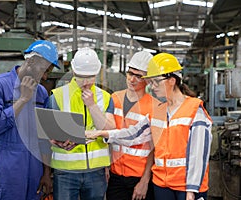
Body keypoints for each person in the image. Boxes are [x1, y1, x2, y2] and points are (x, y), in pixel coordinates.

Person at [86, 53, 213, 200]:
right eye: (151, 82)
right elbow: (133, 135)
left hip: (186, 187)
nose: (152, 87)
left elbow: (198, 154)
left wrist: (192, 190)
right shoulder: (158, 110)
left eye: (156, 82)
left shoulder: (194, 110)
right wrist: (102, 134)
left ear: (171, 80)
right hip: (162, 185)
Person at [0, 40, 59, 200]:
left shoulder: (42, 93)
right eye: (44, 70)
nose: (45, 76)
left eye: (48, 72)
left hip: (35, 169)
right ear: (30, 61)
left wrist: (46, 173)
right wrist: (23, 99)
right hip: (8, 168)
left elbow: (44, 137)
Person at [47, 47, 116, 200]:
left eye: (90, 77)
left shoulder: (105, 97)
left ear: (96, 73)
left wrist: (92, 105)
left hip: (96, 171)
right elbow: (49, 133)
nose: (85, 82)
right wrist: (56, 141)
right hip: (65, 171)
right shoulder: (57, 96)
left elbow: (110, 131)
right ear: (73, 71)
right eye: (81, 77)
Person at [106, 51, 155, 200]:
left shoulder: (154, 106)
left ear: (148, 79)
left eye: (138, 76)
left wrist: (145, 181)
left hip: (139, 178)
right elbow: (109, 134)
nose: (132, 79)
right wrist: (106, 166)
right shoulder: (115, 98)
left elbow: (154, 148)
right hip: (115, 177)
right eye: (130, 73)